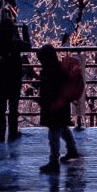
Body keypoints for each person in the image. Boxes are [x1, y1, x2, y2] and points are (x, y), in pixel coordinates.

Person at [36, 44, 81, 173]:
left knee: (54, 132)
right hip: (61, 105)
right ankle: (72, 150)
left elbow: (47, 90)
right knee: (62, 127)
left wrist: (43, 101)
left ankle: (54, 160)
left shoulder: (48, 71)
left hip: (53, 106)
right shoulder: (59, 69)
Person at [0, 18, 31, 142]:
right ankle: (13, 132)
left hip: (1, 79)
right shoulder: (15, 42)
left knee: (1, 106)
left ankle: (0, 134)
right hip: (14, 78)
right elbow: (28, 47)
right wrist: (24, 32)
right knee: (13, 107)